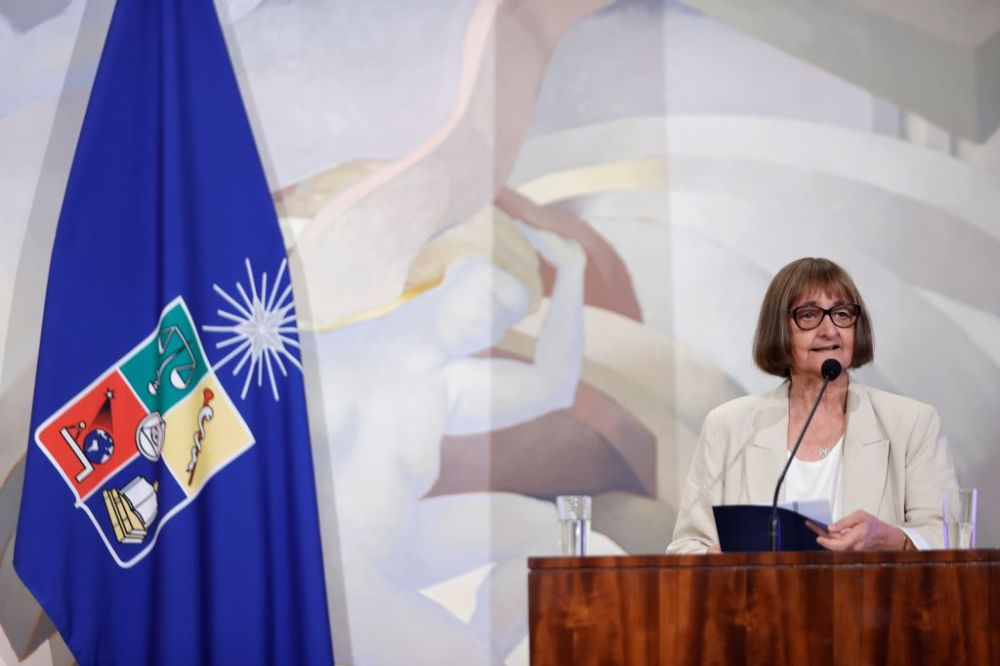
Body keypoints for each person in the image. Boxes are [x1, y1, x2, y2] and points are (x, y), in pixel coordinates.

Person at [668, 257, 958, 553]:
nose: (830, 330)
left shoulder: (911, 423)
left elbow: (949, 540)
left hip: (874, 598)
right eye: (809, 316)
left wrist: (889, 538)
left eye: (842, 314)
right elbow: (687, 546)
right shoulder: (729, 426)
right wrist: (730, 567)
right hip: (759, 598)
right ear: (779, 328)